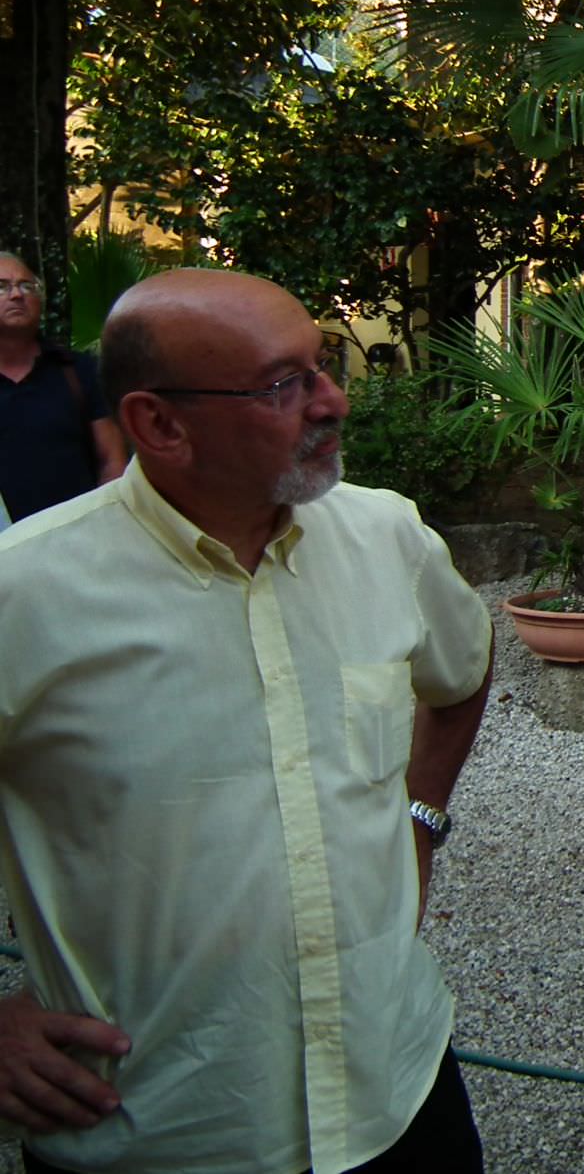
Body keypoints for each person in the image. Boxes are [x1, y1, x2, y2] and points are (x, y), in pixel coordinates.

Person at [0, 268, 493, 1174]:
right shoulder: (25, 592)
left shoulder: (385, 536)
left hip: (397, 1095)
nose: (334, 400)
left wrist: (421, 817)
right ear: (158, 424)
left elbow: (461, 675)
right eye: (284, 384)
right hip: (167, 1129)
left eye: (324, 364)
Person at [0, 252, 126, 523]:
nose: (16, 295)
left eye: (27, 286)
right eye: (2, 287)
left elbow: (112, 459)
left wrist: (104, 526)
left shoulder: (78, 371)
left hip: (74, 541)